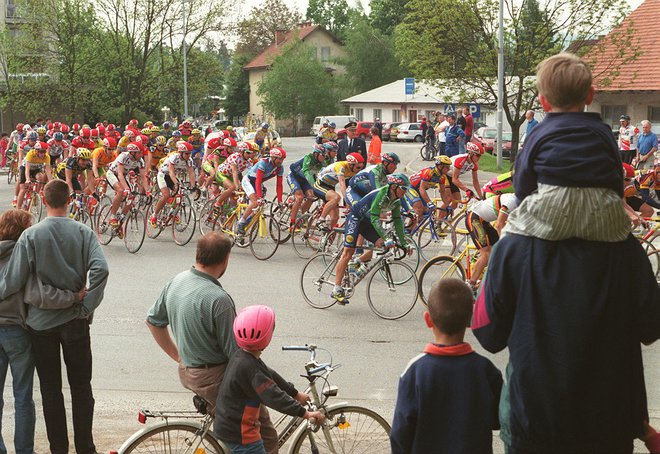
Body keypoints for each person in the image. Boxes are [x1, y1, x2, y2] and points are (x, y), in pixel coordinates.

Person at [473, 52, 660, 454]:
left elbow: (487, 333)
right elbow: (651, 326)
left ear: (542, 102)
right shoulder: (627, 252)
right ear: (591, 96)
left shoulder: (513, 249)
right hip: (607, 428)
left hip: (534, 424)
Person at [0, 179, 109, 454]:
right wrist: (85, 307)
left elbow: (13, 281)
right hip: (75, 322)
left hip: (40, 325)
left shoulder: (31, 235)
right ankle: (85, 446)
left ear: (44, 201)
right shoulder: (84, 233)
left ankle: (58, 448)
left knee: (50, 390)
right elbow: (101, 270)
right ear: (68, 200)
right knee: (81, 387)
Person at [146, 232, 280, 453]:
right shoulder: (219, 300)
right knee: (265, 435)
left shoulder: (177, 281)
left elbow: (153, 322)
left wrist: (178, 356)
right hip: (215, 379)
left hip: (189, 372)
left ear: (198, 254)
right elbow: (237, 356)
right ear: (225, 260)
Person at [507, 52, 631, 242]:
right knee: (630, 247)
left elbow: (522, 183)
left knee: (505, 244)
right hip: (600, 215)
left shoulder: (538, 133)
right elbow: (617, 178)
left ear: (543, 102)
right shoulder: (603, 132)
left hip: (550, 211)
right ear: (590, 95)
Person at [0, 209, 85, 454]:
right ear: (22, 230)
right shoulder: (24, 254)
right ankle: (24, 450)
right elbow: (40, 295)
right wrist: (74, 297)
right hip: (17, 331)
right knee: (23, 398)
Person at [390, 278, 502, 454]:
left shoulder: (415, 372)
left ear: (428, 320)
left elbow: (401, 432)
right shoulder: (485, 370)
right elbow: (498, 420)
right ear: (469, 321)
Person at [214, 305, 325, 454]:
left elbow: (269, 374)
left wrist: (295, 393)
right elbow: (274, 396)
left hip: (229, 425)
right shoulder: (251, 368)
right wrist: (304, 413)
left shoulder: (242, 356)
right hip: (241, 435)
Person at [332, 173, 411, 303]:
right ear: (394, 187)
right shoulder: (381, 194)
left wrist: (404, 242)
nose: (405, 192)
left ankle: (357, 262)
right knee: (348, 252)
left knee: (381, 244)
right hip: (356, 218)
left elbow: (397, 221)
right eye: (404, 189)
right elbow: (375, 218)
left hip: (367, 221)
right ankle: (336, 288)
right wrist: (386, 237)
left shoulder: (396, 200)